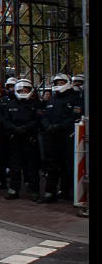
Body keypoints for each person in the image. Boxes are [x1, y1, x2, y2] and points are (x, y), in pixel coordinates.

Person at [40, 73, 84, 204]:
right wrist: (47, 125)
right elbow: (44, 115)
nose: (58, 85)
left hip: (67, 137)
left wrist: (59, 126)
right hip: (52, 137)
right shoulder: (52, 100)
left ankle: (67, 191)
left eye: (61, 83)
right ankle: (50, 192)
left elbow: (74, 118)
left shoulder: (74, 99)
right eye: (56, 83)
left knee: (68, 166)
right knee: (51, 165)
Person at [2, 79, 43, 201]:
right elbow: (6, 121)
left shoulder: (35, 104)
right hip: (15, 139)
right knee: (14, 167)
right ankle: (14, 190)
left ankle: (34, 191)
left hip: (30, 139)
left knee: (31, 167)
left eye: (25, 90)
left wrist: (25, 128)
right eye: (20, 90)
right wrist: (14, 129)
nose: (23, 92)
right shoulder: (11, 104)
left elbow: (38, 120)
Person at [0, 77, 17, 190]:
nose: (12, 89)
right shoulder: (2, 101)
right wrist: (7, 124)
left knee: (18, 160)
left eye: (13, 87)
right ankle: (1, 181)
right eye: (10, 87)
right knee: (0, 158)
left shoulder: (22, 101)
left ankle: (19, 184)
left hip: (18, 133)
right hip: (3, 133)